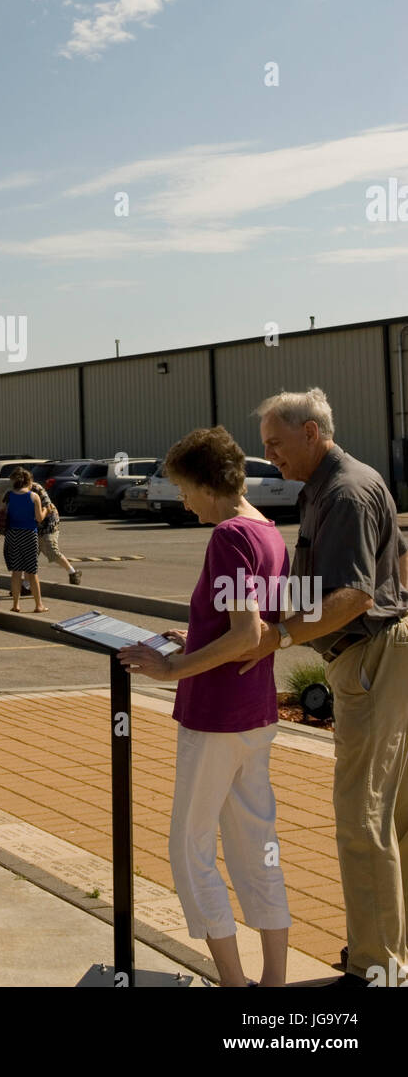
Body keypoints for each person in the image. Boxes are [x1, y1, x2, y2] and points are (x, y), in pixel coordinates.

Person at [242, 388, 408, 988]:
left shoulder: (344, 492)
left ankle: (376, 968)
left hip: (369, 656)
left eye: (276, 444)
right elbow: (396, 565)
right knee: (393, 814)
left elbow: (354, 596)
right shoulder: (332, 487)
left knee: (361, 815)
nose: (271, 457)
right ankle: (388, 954)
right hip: (379, 657)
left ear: (311, 432)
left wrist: (276, 638)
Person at [116, 426, 291, 988]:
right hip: (257, 714)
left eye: (182, 488)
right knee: (255, 848)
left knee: (190, 852)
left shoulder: (229, 537)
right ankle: (273, 986)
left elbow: (245, 632)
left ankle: (236, 987)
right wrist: (196, 633)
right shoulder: (269, 533)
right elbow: (251, 625)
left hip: (215, 717)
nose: (181, 499)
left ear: (204, 482)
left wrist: (172, 668)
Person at [0, 468, 48, 613]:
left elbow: (1, 512)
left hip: (12, 535)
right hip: (29, 535)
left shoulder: (9, 495)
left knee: (16, 572)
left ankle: (16, 605)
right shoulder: (34, 496)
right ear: (29, 481)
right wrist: (46, 511)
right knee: (32, 572)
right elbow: (39, 518)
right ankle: (39, 605)